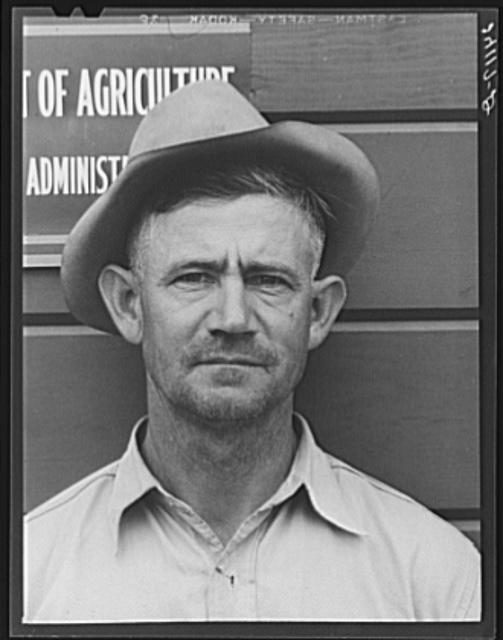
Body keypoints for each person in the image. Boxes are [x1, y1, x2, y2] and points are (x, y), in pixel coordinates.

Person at [24, 80, 480, 623]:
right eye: (194, 277)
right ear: (129, 304)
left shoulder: (433, 580)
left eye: (268, 280)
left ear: (317, 312)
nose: (233, 319)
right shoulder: (31, 578)